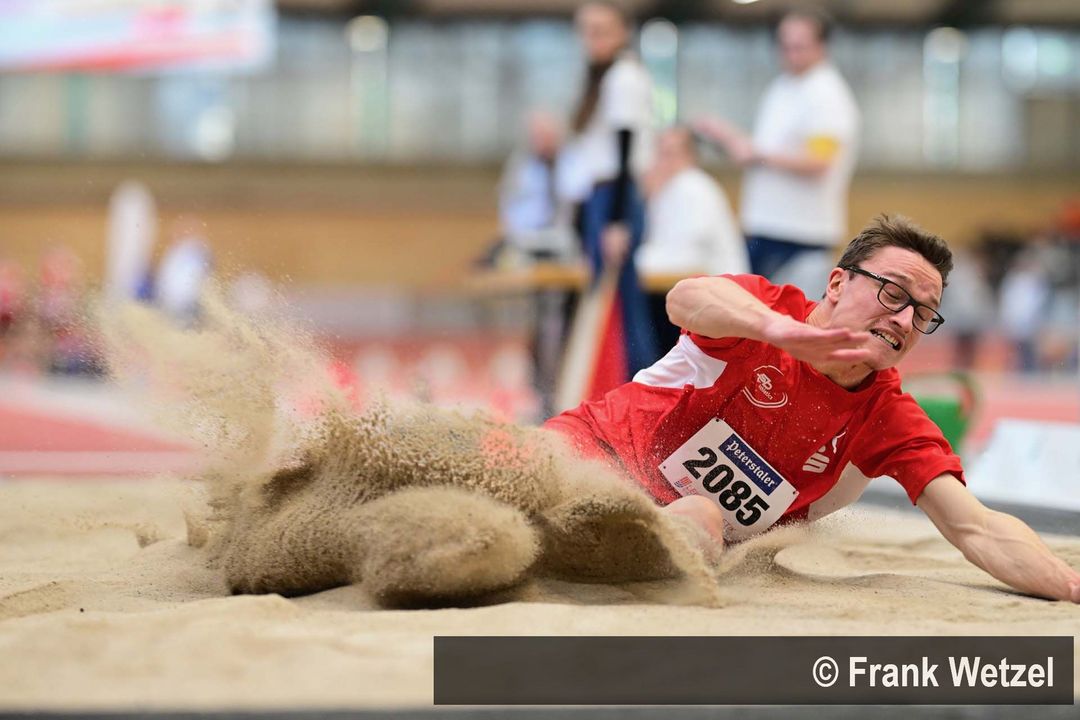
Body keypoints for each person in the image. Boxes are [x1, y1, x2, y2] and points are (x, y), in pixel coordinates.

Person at [545, 214, 1080, 603]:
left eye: (924, 313)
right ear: (838, 283)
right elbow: (683, 299)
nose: (904, 320)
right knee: (518, 469)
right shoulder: (765, 311)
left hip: (687, 527)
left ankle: (589, 555)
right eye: (893, 294)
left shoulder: (889, 414)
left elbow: (976, 528)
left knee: (701, 517)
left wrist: (1071, 586)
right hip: (588, 449)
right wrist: (777, 331)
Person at [695, 9, 858, 296]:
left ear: (821, 46)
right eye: (785, 46)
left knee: (774, 313)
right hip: (768, 223)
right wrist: (730, 138)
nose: (790, 54)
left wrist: (755, 154)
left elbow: (819, 162)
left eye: (800, 46)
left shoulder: (826, 94)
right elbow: (766, 151)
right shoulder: (784, 86)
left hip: (799, 231)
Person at [565, 0, 657, 399]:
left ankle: (639, 394)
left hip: (616, 196)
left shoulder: (624, 77)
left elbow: (625, 147)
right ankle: (618, 394)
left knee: (622, 305)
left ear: (622, 32)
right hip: (602, 195)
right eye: (587, 31)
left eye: (602, 31)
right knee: (610, 305)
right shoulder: (603, 77)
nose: (593, 40)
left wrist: (617, 220)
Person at [636, 126, 748, 353]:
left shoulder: (693, 187)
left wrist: (629, 263)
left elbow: (685, 258)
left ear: (690, 156)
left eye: (671, 154)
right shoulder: (670, 189)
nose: (662, 162)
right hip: (697, 299)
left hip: (717, 305)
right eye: (660, 153)